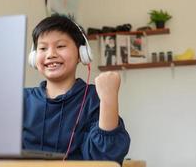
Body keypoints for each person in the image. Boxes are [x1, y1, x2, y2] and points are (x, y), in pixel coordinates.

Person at [22, 15, 130, 164]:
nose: (51, 54)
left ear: (81, 54)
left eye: (60, 46)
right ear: (34, 57)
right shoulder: (21, 99)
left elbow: (104, 159)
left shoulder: (93, 98)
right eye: (43, 48)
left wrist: (109, 99)